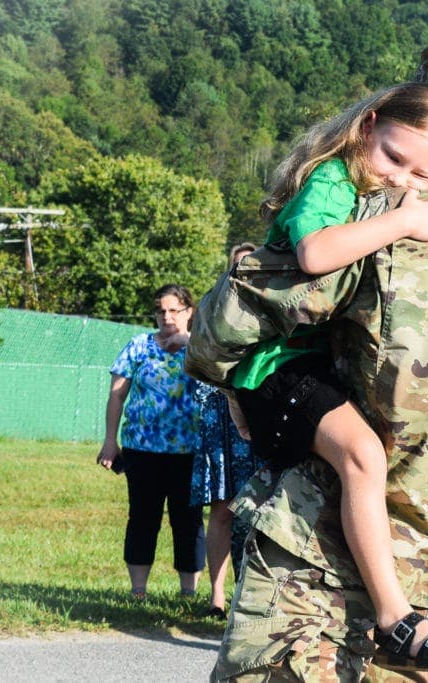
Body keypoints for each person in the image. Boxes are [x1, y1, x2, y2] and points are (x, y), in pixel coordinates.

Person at [186, 36, 428, 681]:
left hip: (315, 561)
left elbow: (221, 334)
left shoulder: (378, 211)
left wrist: (242, 386)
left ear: (425, 111)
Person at [225, 81, 428, 670]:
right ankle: (396, 620)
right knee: (363, 455)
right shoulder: (332, 179)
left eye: (423, 176)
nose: (402, 180)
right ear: (367, 126)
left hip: (301, 365)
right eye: (394, 158)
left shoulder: (372, 188)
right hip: (277, 366)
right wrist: (403, 222)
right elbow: (316, 253)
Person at [97, 284, 206, 600]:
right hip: (142, 449)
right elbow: (117, 395)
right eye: (161, 310)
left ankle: (189, 592)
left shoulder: (202, 347)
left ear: (189, 312)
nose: (166, 316)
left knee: (188, 521)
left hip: (190, 450)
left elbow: (221, 383)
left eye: (174, 310)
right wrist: (109, 441)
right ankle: (138, 590)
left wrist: (192, 344)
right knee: (143, 517)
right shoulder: (138, 346)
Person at [189, 243, 261, 619]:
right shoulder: (213, 305)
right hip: (221, 417)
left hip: (259, 415)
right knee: (221, 509)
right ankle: (216, 597)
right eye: (239, 265)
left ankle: (249, 597)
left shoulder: (271, 302)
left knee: (259, 509)